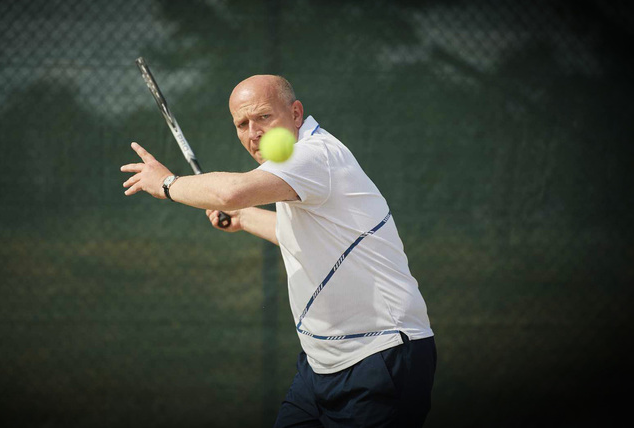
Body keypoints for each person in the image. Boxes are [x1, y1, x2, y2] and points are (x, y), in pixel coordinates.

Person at [121, 75, 436, 427]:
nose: (253, 132)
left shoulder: (314, 155)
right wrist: (243, 218)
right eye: (242, 124)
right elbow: (294, 233)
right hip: (320, 366)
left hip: (380, 356)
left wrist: (166, 183)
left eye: (263, 117)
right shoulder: (298, 169)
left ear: (296, 113)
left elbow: (232, 192)